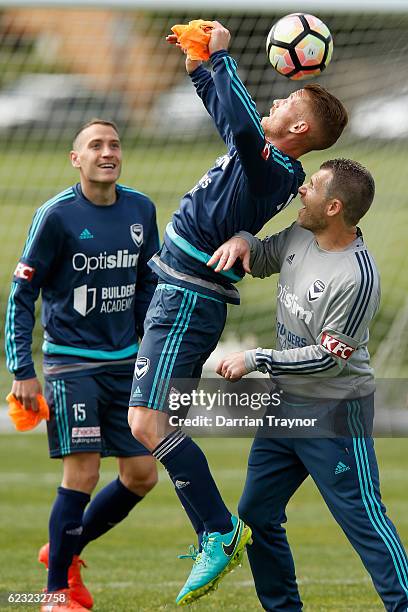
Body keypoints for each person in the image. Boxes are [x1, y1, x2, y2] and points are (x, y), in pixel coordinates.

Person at [127, 21, 348, 606]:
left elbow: (243, 127)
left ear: (298, 128)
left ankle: (218, 532)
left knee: (147, 425)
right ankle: (216, 531)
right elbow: (236, 120)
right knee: (147, 422)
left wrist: (222, 60)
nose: (274, 99)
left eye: (286, 100)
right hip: (175, 290)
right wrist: (201, 65)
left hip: (187, 299)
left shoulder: (275, 167)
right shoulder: (267, 156)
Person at [214, 158, 408, 612]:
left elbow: (326, 359)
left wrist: (255, 358)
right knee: (256, 515)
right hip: (285, 406)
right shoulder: (301, 233)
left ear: (335, 206)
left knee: (364, 522)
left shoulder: (357, 277)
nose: (302, 189)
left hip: (335, 412)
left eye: (314, 186)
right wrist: (243, 240)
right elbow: (260, 258)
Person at [5, 119, 160, 612]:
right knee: (85, 473)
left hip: (126, 363)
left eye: (114, 144)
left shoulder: (141, 209)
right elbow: (22, 293)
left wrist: (150, 354)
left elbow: (147, 288)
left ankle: (66, 549)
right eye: (95, 145)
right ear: (77, 159)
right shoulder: (56, 216)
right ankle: (56, 593)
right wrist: (22, 370)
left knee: (141, 475)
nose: (107, 152)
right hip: (71, 365)